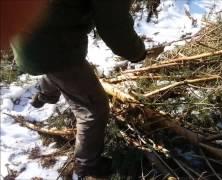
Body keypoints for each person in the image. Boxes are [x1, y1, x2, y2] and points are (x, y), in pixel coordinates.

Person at [1, 0, 146, 178]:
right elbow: (114, 27)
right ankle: (87, 166)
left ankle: (46, 94)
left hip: (29, 33)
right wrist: (137, 52)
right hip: (50, 44)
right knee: (93, 109)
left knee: (59, 72)